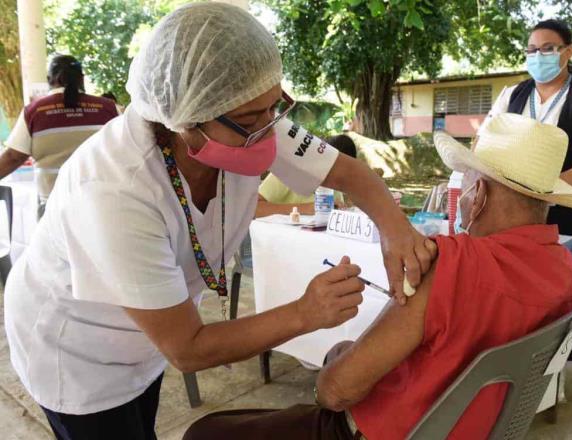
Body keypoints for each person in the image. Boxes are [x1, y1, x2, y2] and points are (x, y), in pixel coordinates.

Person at [3, 4, 435, 440]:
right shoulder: (114, 188)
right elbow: (187, 349)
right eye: (252, 120)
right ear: (185, 120)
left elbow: (348, 172)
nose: (271, 132)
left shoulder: (249, 112)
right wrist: (305, 313)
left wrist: (396, 231)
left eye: (275, 108)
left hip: (143, 338)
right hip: (78, 350)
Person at [183, 113, 572, 440]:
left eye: (468, 183)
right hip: (474, 426)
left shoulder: (455, 261)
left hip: (384, 432)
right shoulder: (568, 269)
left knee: (205, 432)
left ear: (480, 196)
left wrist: (331, 371)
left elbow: (336, 392)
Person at [478, 19, 572, 360]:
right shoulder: (513, 94)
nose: (537, 55)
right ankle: (511, 356)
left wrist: (551, 190)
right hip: (513, 214)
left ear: (567, 52)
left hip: (569, 216)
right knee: (511, 293)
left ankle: (558, 362)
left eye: (546, 48)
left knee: (562, 295)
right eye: (531, 50)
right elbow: (484, 141)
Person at [0, 55, 119, 216]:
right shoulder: (109, 109)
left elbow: (13, 157)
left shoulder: (35, 112)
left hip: (53, 209)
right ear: (81, 79)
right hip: (100, 207)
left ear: (49, 79)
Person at [256, 134, 356, 217]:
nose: (331, 180)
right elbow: (254, 209)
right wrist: (304, 209)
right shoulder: (289, 171)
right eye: (328, 171)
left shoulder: (334, 185)